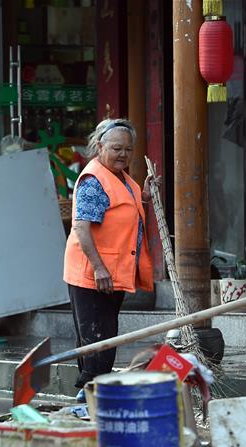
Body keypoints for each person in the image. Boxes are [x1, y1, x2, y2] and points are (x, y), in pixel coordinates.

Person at [64, 118, 155, 393]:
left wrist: (146, 196)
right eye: (117, 148)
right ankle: (88, 395)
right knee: (97, 340)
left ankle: (91, 395)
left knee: (102, 337)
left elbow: (122, 212)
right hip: (93, 272)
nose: (123, 155)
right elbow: (81, 227)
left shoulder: (123, 178)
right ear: (100, 146)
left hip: (111, 272)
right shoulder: (94, 179)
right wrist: (99, 268)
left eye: (128, 150)